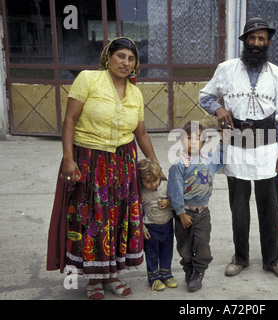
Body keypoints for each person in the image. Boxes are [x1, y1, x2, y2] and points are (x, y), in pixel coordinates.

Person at [46, 37, 158, 300]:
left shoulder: (135, 93)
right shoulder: (88, 79)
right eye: (120, 56)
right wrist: (68, 159)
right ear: (108, 57)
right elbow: (69, 120)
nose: (125, 63)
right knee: (92, 218)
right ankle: (93, 279)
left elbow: (141, 133)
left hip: (123, 163)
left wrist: (153, 161)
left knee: (118, 218)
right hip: (89, 161)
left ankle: (111, 275)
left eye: (131, 59)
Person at [199, 17, 278, 280]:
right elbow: (205, 96)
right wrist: (218, 108)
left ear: (268, 42)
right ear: (244, 41)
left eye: (261, 39)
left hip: (267, 143)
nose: (256, 43)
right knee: (239, 206)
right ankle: (240, 257)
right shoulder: (227, 68)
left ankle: (272, 259)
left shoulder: (276, 73)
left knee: (269, 206)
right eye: (251, 38)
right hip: (237, 140)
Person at [167, 121, 226, 292]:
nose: (193, 142)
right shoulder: (178, 165)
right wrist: (180, 213)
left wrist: (226, 134)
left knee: (202, 245)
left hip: (203, 213)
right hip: (185, 212)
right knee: (184, 246)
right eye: (188, 138)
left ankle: (199, 272)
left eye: (197, 138)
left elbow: (222, 154)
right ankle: (189, 269)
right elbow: (175, 191)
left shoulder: (209, 161)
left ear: (203, 141)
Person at [138, 158, 177, 291]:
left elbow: (175, 199)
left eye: (155, 180)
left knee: (167, 251)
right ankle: (154, 277)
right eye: (148, 181)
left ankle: (167, 274)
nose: (153, 184)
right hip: (151, 228)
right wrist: (142, 229)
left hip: (167, 226)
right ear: (141, 180)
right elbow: (138, 213)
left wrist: (168, 203)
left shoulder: (165, 187)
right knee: (152, 253)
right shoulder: (141, 193)